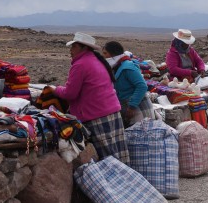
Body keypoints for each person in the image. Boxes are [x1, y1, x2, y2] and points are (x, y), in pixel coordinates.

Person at [55, 33, 129, 162]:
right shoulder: (95, 61)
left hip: (97, 115)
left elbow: (70, 94)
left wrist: (56, 89)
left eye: (73, 47)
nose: (70, 51)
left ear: (82, 48)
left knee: (107, 159)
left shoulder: (80, 65)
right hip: (111, 111)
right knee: (117, 157)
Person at [102, 40, 152, 127]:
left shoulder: (128, 67)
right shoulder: (116, 67)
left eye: (105, 53)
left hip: (137, 108)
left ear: (113, 54)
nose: (103, 56)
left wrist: (132, 106)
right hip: (128, 107)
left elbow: (142, 86)